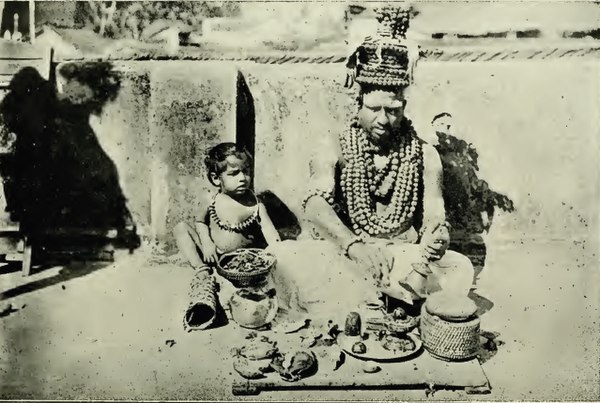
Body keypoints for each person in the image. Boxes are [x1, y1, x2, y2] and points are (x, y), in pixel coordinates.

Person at [268, 6, 474, 322]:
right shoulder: (333, 146)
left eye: (393, 110)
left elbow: (435, 215)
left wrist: (438, 234)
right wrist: (355, 247)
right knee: (282, 259)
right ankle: (388, 300)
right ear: (358, 101)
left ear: (404, 106)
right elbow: (314, 206)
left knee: (460, 269)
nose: (382, 119)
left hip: (403, 256)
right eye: (374, 108)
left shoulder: (424, 154)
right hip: (350, 252)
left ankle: (366, 301)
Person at [174, 143, 281, 272]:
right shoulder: (211, 201)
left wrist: (276, 250)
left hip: (244, 261)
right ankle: (201, 270)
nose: (243, 178)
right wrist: (207, 243)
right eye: (234, 173)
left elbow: (270, 233)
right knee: (180, 229)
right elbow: (200, 222)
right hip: (214, 256)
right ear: (216, 179)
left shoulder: (255, 205)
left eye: (246, 172)